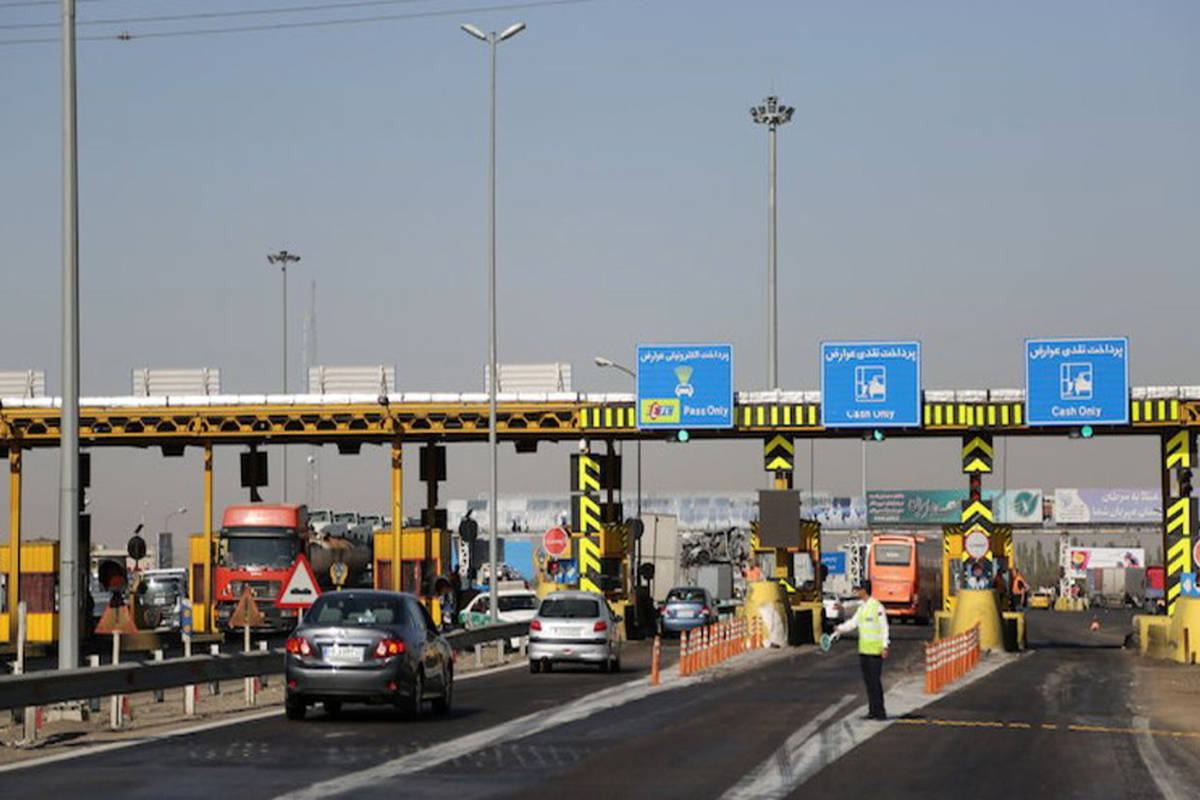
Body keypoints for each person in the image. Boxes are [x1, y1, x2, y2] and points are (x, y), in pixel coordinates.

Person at [834, 580, 890, 720]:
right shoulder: (862, 608)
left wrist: (885, 646)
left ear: (864, 590)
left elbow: (884, 627)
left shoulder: (877, 607)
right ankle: (872, 711)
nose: (857, 592)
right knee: (869, 683)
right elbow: (853, 623)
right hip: (864, 651)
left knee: (875, 683)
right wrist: (840, 629)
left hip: (875, 652)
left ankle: (880, 712)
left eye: (859, 590)